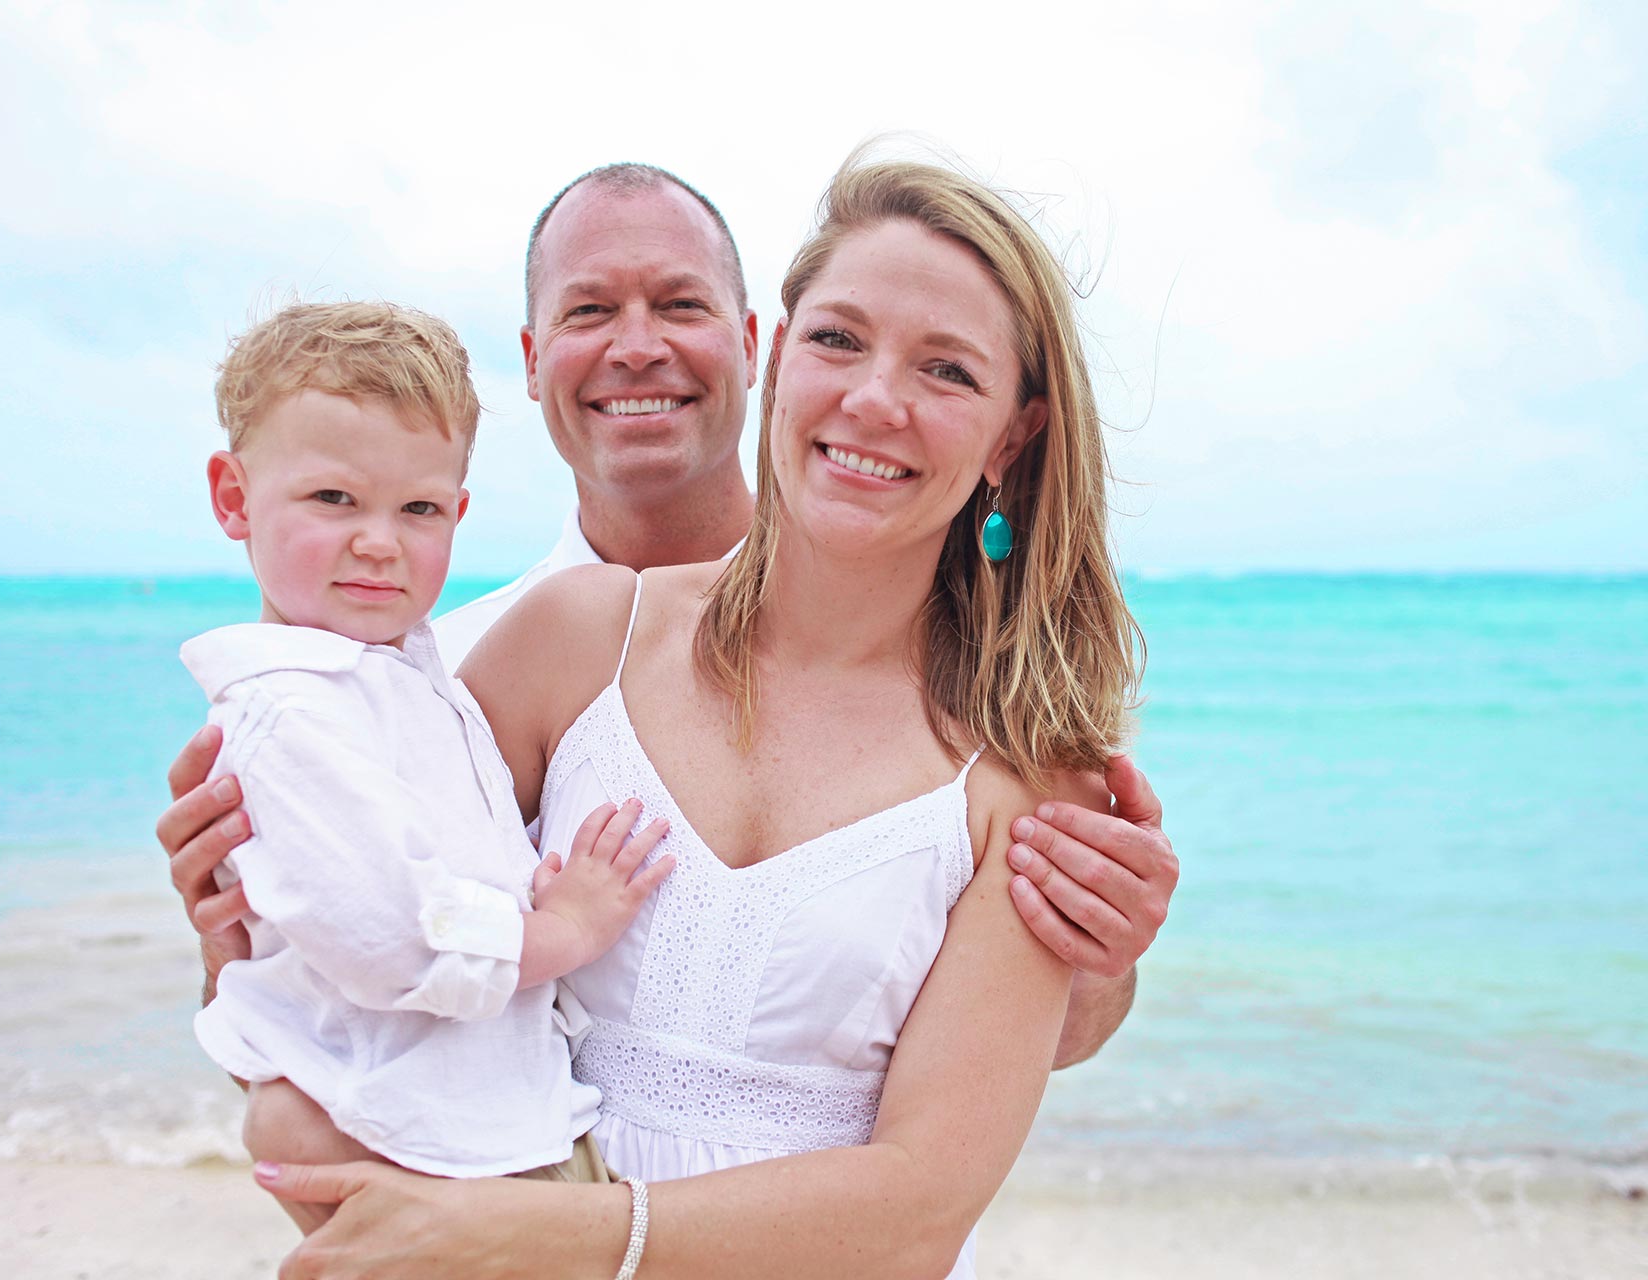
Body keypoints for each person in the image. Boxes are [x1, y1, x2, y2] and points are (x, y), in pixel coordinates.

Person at [245, 151, 1145, 1280]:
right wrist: (232, 912)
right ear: (781, 355)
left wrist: (532, 1239)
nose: (874, 398)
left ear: (1014, 436)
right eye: (838, 339)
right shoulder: (574, 643)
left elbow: (921, 1205)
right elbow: (368, 964)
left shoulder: (1030, 773)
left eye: (949, 370)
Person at [182, 300, 674, 1232]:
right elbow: (389, 936)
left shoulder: (404, 673)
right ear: (235, 498)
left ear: (458, 512)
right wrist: (563, 931)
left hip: (477, 1123)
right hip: (415, 1137)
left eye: (418, 509)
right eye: (334, 499)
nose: (380, 540)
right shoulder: (287, 711)